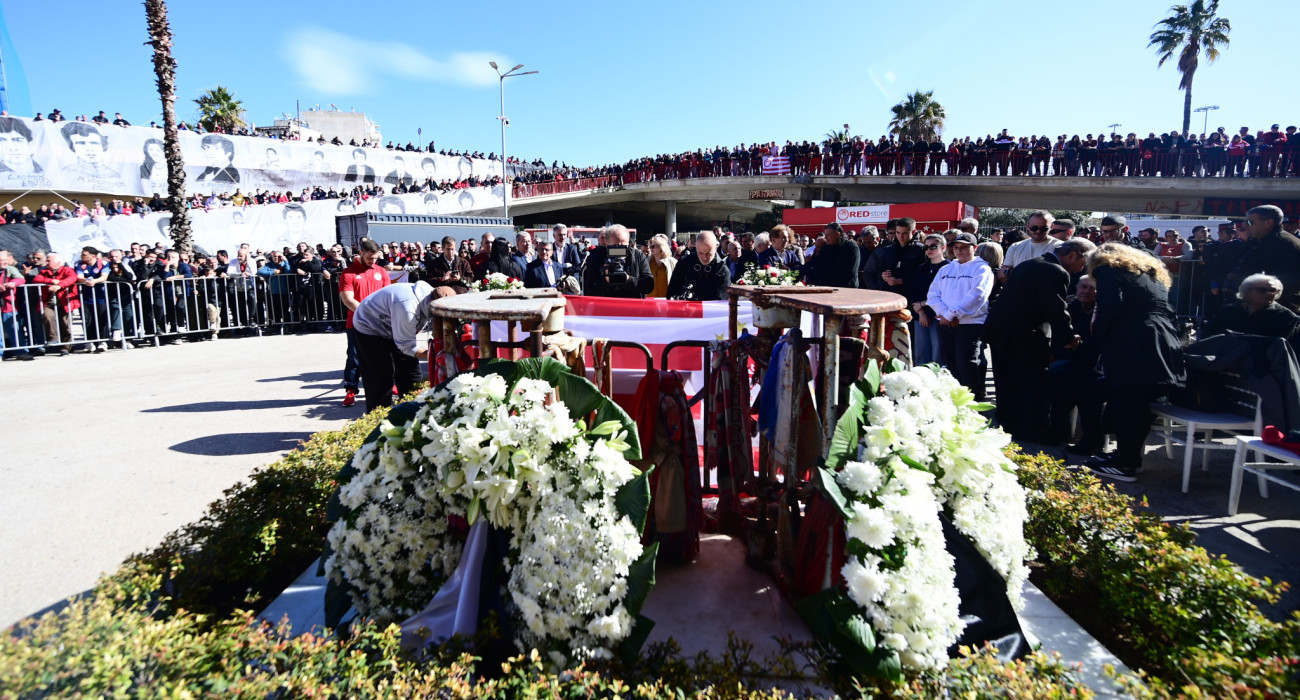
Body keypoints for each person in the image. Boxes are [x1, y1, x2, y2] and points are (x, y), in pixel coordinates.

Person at [1085, 243, 1185, 482]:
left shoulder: (1107, 269)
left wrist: (1098, 333)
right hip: (1161, 338)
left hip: (1134, 341)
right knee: (1136, 401)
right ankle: (1125, 458)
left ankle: (1125, 464)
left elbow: (1111, 306)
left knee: (1129, 401)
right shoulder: (1150, 274)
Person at [982, 237, 1096, 444]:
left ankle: (1008, 428)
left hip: (1000, 333)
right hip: (1023, 337)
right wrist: (1069, 339)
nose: (1082, 268)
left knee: (1006, 384)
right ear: (1072, 255)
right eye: (1083, 263)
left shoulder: (1031, 263)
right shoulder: (1055, 271)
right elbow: (1056, 309)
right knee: (1031, 386)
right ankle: (1030, 436)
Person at [351, 281, 445, 412]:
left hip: (392, 321)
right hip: (369, 325)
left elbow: (408, 338)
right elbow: (407, 345)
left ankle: (413, 410)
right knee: (380, 376)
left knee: (411, 371)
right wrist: (433, 354)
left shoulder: (431, 299)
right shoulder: (408, 307)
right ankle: (379, 419)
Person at [927, 232, 993, 399]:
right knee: (952, 364)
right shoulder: (945, 269)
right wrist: (945, 315)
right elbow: (933, 295)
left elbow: (977, 295)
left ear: (975, 248)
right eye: (956, 247)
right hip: (946, 323)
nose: (959, 251)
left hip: (970, 324)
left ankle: (974, 402)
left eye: (964, 247)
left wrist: (952, 314)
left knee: (967, 364)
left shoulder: (982, 268)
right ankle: (956, 401)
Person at [338, 240, 392, 407]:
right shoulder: (348, 273)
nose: (373, 262)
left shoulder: (382, 272)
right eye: (369, 258)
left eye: (375, 258)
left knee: (385, 356)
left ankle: (390, 386)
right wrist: (368, 314)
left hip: (380, 323)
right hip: (356, 323)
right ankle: (351, 390)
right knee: (354, 357)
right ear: (361, 253)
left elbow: (388, 295)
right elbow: (348, 300)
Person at [1219, 205, 1300, 313]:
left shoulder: (1288, 244)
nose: (1245, 226)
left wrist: (1262, 296)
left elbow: (1292, 280)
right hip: (1240, 307)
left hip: (1270, 311)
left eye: (1250, 222)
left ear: (1268, 223)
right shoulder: (1253, 241)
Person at [1202, 274, 1299, 349]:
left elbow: (1279, 348)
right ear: (1246, 291)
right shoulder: (1229, 311)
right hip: (1224, 361)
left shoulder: (1286, 317)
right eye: (1262, 290)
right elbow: (1208, 336)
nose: (1269, 293)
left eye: (1273, 290)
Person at [906, 233, 949, 365]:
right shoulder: (921, 268)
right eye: (926, 247)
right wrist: (921, 311)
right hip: (920, 315)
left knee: (938, 354)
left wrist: (923, 304)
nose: (929, 250)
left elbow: (946, 294)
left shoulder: (949, 268)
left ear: (943, 248)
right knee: (921, 354)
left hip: (939, 315)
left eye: (933, 246)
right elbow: (914, 291)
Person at [582, 224, 654, 298]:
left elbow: (649, 286)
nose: (619, 248)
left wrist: (629, 279)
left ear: (628, 243)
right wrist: (605, 280)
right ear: (606, 243)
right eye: (615, 245)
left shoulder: (638, 256)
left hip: (632, 306)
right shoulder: (596, 257)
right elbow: (589, 292)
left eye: (623, 244)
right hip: (606, 306)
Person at [666, 230, 729, 301]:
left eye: (708, 253)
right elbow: (671, 292)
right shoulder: (684, 262)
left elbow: (723, 301)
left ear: (716, 248)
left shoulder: (723, 269)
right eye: (701, 253)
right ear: (696, 247)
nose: (704, 258)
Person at [1000, 210, 1060, 279]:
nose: (1038, 231)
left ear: (1051, 227)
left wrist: (1015, 272)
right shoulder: (1015, 247)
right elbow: (1002, 275)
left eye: (1043, 228)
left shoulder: (1060, 247)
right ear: (1027, 226)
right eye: (1034, 228)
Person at [802, 222, 859, 287]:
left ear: (838, 234)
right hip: (827, 287)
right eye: (825, 235)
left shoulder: (851, 247)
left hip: (847, 287)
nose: (825, 238)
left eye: (828, 235)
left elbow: (850, 272)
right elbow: (818, 266)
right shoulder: (826, 247)